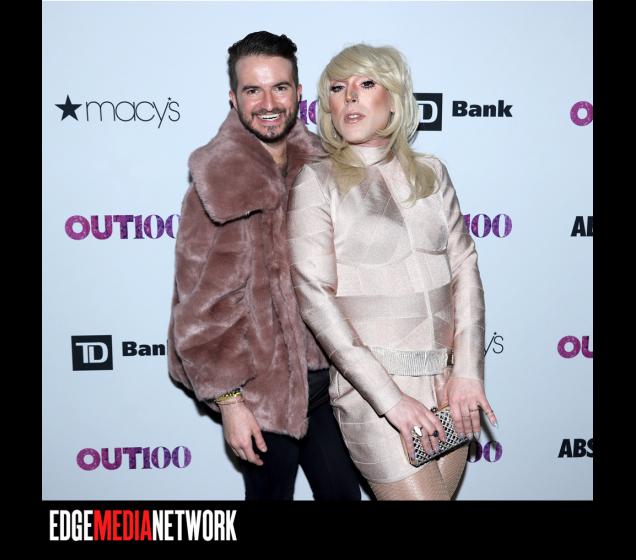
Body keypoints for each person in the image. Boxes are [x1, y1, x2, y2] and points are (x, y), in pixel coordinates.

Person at [287, 44, 498, 500]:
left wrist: (467, 370)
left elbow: (464, 267)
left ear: (395, 98)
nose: (350, 96)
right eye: (338, 88)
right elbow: (315, 299)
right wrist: (390, 401)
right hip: (374, 396)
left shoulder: (431, 173)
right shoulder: (317, 181)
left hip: (448, 385)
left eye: (366, 84)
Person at [167, 31, 361, 501]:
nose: (268, 103)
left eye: (279, 87)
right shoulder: (215, 184)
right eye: (253, 90)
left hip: (330, 383)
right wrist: (231, 403)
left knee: (343, 495)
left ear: (298, 93)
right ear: (234, 98)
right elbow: (199, 310)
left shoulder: (327, 167)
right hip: (260, 392)